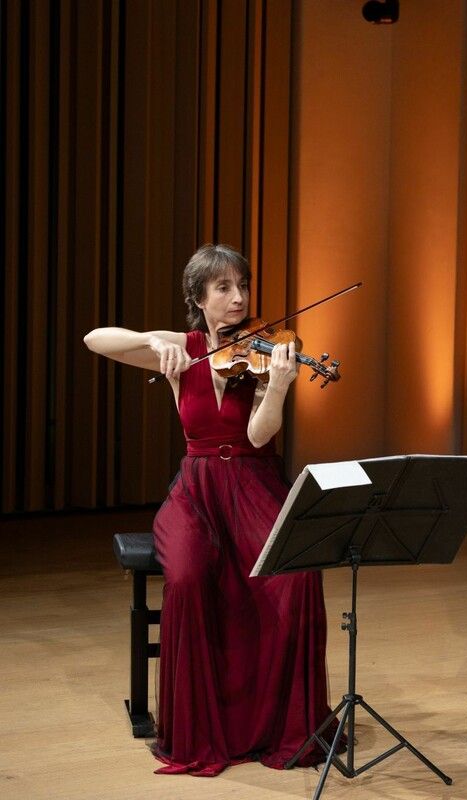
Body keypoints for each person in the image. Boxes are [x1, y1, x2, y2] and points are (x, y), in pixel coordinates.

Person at [84, 244, 334, 776]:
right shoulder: (182, 348)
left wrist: (281, 386)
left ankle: (279, 725)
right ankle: (200, 726)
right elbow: (95, 339)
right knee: (191, 577)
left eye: (242, 285)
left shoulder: (270, 352)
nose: (238, 297)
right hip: (195, 490)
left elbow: (257, 435)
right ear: (197, 298)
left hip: (255, 482)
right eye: (223, 288)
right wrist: (154, 340)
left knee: (295, 574)